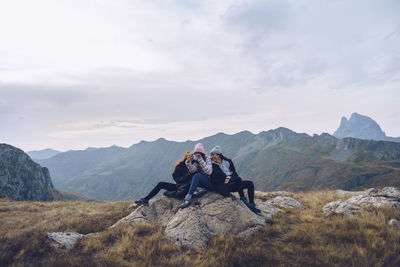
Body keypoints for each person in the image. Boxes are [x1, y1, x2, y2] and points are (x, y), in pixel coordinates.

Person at [209, 145, 261, 214]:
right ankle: (243, 198)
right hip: (224, 186)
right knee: (238, 179)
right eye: (211, 155)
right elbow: (218, 177)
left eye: (213, 155)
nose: (212, 157)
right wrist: (228, 176)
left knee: (250, 183)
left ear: (218, 155)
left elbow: (233, 172)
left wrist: (228, 177)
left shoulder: (228, 161)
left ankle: (252, 203)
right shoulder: (212, 165)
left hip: (233, 182)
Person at [179, 143, 229, 209]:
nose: (196, 155)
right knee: (193, 175)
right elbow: (193, 170)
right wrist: (188, 162)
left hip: (211, 182)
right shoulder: (196, 160)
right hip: (203, 182)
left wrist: (201, 160)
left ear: (202, 153)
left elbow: (209, 172)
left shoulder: (208, 159)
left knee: (197, 176)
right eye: (195, 153)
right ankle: (200, 189)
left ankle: (187, 199)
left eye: (198, 153)